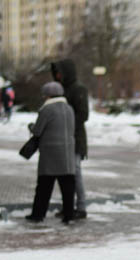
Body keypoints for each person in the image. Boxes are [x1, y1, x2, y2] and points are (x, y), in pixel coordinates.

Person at [25, 82, 76, 224]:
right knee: (68, 187)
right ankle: (69, 215)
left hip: (50, 152)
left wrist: (30, 126)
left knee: (44, 187)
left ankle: (38, 214)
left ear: (48, 95)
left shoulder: (47, 110)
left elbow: (37, 131)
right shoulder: (69, 108)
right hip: (67, 152)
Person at [51, 59, 89, 220]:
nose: (57, 75)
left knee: (75, 172)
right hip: (62, 137)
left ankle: (81, 206)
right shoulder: (61, 90)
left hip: (75, 137)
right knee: (66, 174)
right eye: (56, 73)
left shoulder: (78, 89)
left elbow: (83, 114)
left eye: (59, 72)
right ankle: (69, 206)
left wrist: (67, 125)